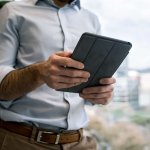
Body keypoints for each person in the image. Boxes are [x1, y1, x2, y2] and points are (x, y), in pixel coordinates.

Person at [0, 0, 116, 149]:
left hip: (80, 143)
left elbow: (92, 84)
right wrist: (39, 73)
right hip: (22, 141)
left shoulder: (91, 19)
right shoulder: (12, 11)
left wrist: (102, 93)